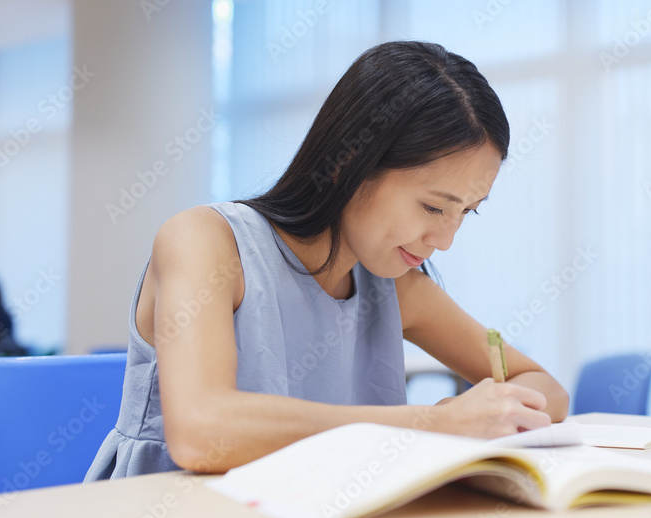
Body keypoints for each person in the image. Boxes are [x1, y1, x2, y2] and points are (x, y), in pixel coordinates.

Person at [85, 41, 569, 480]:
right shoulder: (205, 241)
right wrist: (432, 423)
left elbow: (545, 386)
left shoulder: (392, 282)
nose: (444, 240)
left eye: (466, 212)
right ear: (347, 164)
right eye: (432, 207)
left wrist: (481, 414)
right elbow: (201, 432)